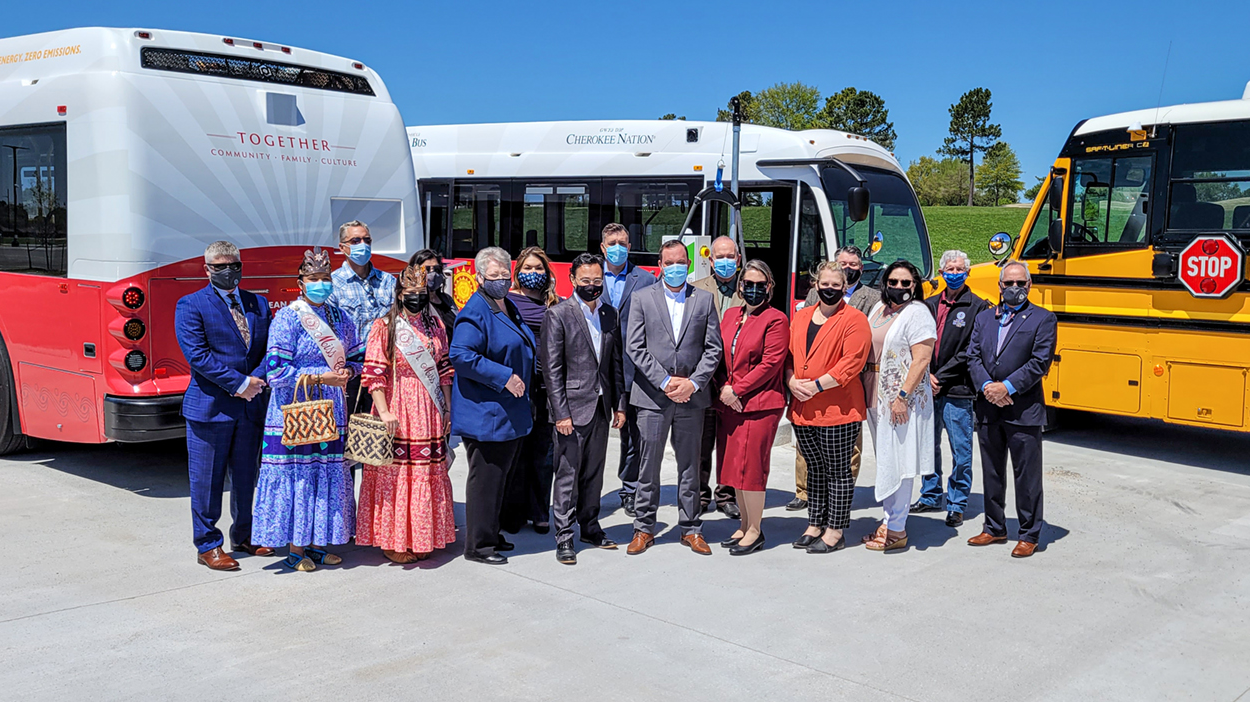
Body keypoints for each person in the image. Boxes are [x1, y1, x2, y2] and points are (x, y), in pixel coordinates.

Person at [253, 247, 362, 571]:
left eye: (326, 278)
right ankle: (296, 549)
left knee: (326, 474)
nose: (321, 284)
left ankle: (318, 545)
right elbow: (275, 373)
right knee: (300, 476)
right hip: (296, 409)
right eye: (314, 278)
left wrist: (348, 373)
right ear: (300, 282)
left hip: (332, 409)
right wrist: (318, 376)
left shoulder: (341, 318)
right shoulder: (288, 317)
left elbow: (356, 357)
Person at [175, 241, 273, 571]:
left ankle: (244, 535)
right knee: (207, 481)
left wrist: (256, 381)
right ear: (207, 270)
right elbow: (198, 356)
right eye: (219, 266)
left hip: (250, 407)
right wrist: (240, 384)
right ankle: (208, 545)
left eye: (233, 265)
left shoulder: (258, 303)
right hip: (210, 408)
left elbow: (268, 350)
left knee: (247, 477)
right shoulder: (190, 305)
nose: (228, 271)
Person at [624, 240, 723, 556]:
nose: (677, 267)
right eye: (671, 262)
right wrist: (665, 381)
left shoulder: (704, 300)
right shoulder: (642, 298)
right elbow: (635, 346)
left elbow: (713, 348)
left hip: (692, 399)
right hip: (653, 397)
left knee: (690, 466)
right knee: (648, 467)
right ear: (661, 264)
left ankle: (691, 528)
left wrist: (693, 383)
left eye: (682, 261)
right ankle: (644, 528)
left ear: (689, 263)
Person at [356, 260, 456, 564]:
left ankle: (424, 534)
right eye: (410, 292)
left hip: (428, 406)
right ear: (399, 294)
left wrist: (448, 407)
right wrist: (384, 411)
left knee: (426, 472)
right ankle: (394, 539)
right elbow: (374, 373)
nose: (417, 297)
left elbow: (443, 369)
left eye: (421, 291)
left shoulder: (435, 325)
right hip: (397, 403)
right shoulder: (384, 327)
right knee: (396, 474)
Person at [450, 247, 536, 566]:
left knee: (500, 479)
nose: (502, 280)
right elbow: (461, 355)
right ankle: (478, 546)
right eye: (494, 275)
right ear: (479, 277)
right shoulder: (475, 311)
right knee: (485, 480)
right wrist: (504, 377)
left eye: (505, 274)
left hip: (508, 412)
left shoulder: (506, 305)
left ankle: (492, 532)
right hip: (487, 412)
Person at [966, 260, 1056, 558]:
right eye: (1009, 284)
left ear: (1029, 286)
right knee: (992, 471)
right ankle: (994, 527)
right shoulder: (984, 318)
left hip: (1023, 410)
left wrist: (1007, 387)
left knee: (1026, 475)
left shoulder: (1043, 319)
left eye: (1020, 284)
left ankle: (1029, 532)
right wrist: (987, 388)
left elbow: (1039, 362)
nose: (1014, 288)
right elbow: (973, 357)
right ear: (1000, 286)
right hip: (988, 407)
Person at [542, 253, 627, 565]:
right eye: (586, 281)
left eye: (597, 280)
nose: (592, 286)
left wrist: (619, 405)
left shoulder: (610, 314)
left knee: (593, 473)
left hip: (602, 408)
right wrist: (560, 413)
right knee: (568, 474)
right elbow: (552, 370)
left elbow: (615, 364)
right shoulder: (558, 315)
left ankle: (590, 527)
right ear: (573, 280)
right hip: (571, 411)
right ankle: (564, 536)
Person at [787, 263, 872, 554]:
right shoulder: (801, 317)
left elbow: (852, 362)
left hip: (838, 409)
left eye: (837, 285)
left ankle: (835, 530)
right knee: (815, 468)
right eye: (825, 283)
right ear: (815, 284)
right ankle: (815, 523)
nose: (830, 289)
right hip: (803, 408)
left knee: (837, 471)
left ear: (845, 287)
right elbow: (789, 356)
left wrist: (817, 385)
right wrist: (791, 381)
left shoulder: (855, 319)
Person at [861, 260, 936, 552]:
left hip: (900, 399)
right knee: (886, 459)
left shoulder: (918, 313)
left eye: (906, 283)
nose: (899, 287)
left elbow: (921, 359)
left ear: (915, 285)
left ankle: (897, 529)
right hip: (874, 390)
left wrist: (902, 398)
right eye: (894, 282)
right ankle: (889, 518)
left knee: (900, 461)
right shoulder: (878, 309)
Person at [714, 260, 788, 556]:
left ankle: (756, 530)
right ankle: (744, 524)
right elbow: (718, 354)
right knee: (735, 470)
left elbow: (771, 363)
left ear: (770, 287)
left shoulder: (776, 319)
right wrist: (723, 388)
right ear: (740, 286)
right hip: (730, 403)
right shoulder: (731, 315)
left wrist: (737, 390)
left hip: (759, 405)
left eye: (760, 285)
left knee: (752, 469)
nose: (753, 290)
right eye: (748, 284)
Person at [912, 250, 989, 527]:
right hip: (927, 389)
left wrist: (939, 376)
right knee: (927, 446)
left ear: (967, 272)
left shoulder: (979, 307)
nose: (954, 273)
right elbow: (918, 342)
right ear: (941, 273)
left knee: (961, 451)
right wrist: (926, 375)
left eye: (959, 269)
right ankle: (930, 494)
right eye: (949, 269)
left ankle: (956, 503)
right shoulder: (929, 305)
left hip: (957, 390)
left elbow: (972, 350)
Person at [500, 247, 561, 535]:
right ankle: (512, 513)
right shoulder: (507, 302)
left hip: (546, 387)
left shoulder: (556, 303)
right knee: (517, 451)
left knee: (544, 452)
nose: (533, 273)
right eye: (528, 268)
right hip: (517, 385)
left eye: (539, 268)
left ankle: (539, 511)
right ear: (517, 272)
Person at [600, 223, 657, 517]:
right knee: (592, 434)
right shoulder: (591, 277)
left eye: (622, 242)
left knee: (633, 436)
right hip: (598, 370)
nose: (618, 247)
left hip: (633, 370)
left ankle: (630, 489)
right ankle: (586, 493)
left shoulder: (645, 280)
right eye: (612, 242)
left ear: (630, 246)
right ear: (602, 247)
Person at [692, 235, 743, 519]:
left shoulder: (748, 289)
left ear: (737, 259)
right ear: (710, 260)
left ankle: (727, 495)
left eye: (730, 256)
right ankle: (700, 494)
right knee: (702, 440)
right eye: (719, 257)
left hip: (735, 381)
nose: (725, 262)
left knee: (730, 441)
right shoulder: (697, 288)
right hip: (704, 378)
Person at [328, 220, 397, 419]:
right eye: (355, 240)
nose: (363, 245)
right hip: (350, 372)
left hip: (384, 370)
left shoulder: (388, 281)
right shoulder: (332, 283)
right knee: (348, 431)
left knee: (381, 431)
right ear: (343, 247)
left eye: (366, 240)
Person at [411, 249, 458, 341]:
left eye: (436, 269)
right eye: (427, 269)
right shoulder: (413, 303)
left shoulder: (447, 300)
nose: (432, 274)